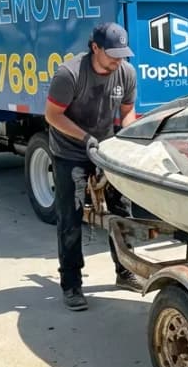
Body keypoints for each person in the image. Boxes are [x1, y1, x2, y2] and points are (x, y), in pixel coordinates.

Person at [45, 21, 141, 311]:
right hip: (70, 149)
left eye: (122, 54)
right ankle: (71, 285)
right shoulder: (69, 74)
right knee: (71, 217)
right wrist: (85, 138)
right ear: (95, 47)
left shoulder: (125, 72)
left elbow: (127, 112)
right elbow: (52, 116)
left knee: (121, 211)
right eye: (112, 54)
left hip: (105, 147)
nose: (117, 60)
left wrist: (126, 138)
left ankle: (125, 271)